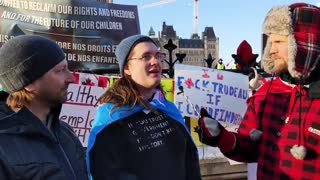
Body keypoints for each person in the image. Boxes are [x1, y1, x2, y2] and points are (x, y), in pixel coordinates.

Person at [197, 2, 320, 179]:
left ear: (304, 44)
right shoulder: (265, 95)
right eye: (270, 41)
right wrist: (220, 136)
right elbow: (250, 149)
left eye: (278, 41)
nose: (271, 50)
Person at [87, 34, 201, 180]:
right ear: (127, 68)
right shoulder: (111, 120)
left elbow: (189, 162)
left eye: (158, 55)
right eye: (146, 56)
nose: (156, 61)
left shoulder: (169, 109)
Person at [0, 35, 88, 180]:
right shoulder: (3, 140)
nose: (71, 78)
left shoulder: (66, 132)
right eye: (60, 70)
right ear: (29, 83)